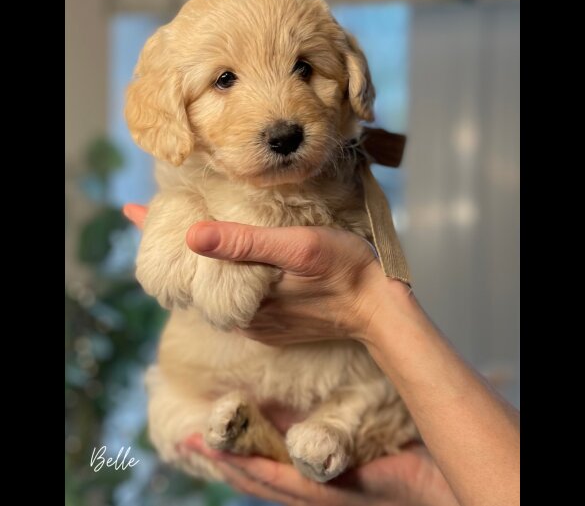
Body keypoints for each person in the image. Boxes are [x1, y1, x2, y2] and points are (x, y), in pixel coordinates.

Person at [124, 204, 520, 506]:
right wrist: (422, 480)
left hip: (335, 392)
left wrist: (369, 305)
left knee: (369, 386)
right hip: (213, 381)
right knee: (171, 415)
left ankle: (332, 425)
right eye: (224, 87)